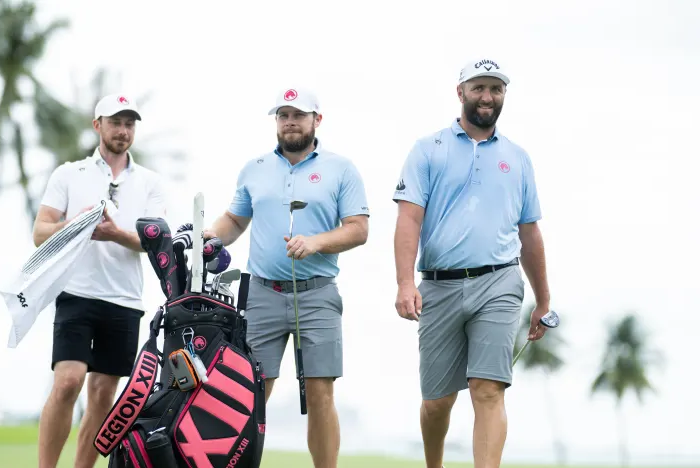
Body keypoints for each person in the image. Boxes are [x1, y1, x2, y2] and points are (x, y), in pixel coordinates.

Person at [392, 59, 551, 468]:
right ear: (460, 91)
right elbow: (409, 218)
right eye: (479, 88)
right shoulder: (428, 149)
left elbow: (529, 233)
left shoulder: (518, 158)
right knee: (437, 401)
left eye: (496, 90)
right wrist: (405, 283)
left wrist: (543, 301)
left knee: (487, 388)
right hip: (439, 286)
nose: (487, 97)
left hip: (499, 282)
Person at [204, 88, 369, 468]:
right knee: (250, 389)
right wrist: (210, 236)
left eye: (299, 114)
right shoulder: (255, 168)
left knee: (319, 392)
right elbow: (233, 221)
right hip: (262, 293)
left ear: (317, 120)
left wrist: (315, 243)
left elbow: (358, 229)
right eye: (283, 115)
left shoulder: (341, 169)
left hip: (318, 295)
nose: (290, 120)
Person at [31, 93, 168, 468]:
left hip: (124, 299)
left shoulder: (151, 183)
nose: (123, 131)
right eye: (115, 123)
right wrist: (78, 225)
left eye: (129, 124)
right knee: (68, 382)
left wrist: (115, 234)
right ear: (98, 126)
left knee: (103, 394)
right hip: (76, 293)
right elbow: (41, 232)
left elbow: (154, 241)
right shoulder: (69, 173)